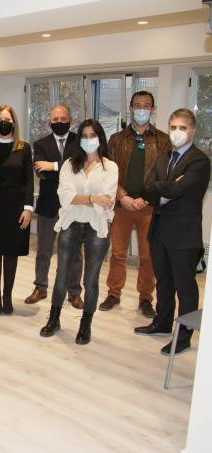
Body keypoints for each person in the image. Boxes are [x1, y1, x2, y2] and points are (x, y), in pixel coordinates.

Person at [135, 108, 210, 355]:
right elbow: (146, 188)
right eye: (173, 127)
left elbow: (181, 190)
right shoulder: (163, 157)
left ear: (192, 130)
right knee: (164, 281)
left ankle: (184, 336)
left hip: (183, 234)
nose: (177, 132)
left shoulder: (199, 161)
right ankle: (162, 322)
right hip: (159, 230)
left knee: (184, 286)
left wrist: (163, 190)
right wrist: (166, 190)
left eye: (183, 128)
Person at [40, 119, 118, 345]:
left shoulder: (110, 167)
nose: (88, 140)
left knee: (91, 280)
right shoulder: (69, 164)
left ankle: (85, 325)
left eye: (93, 135)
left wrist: (82, 199)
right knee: (62, 275)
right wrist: (93, 198)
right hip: (71, 223)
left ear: (100, 138)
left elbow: (108, 201)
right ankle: (54, 319)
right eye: (84, 136)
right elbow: (64, 196)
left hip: (97, 226)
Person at [101, 91, 171, 317]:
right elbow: (109, 173)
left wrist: (146, 198)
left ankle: (145, 299)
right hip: (121, 206)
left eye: (146, 105)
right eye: (138, 105)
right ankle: (113, 293)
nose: (142, 109)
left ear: (153, 109)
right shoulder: (116, 140)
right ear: (131, 108)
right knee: (118, 254)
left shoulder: (163, 140)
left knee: (148, 256)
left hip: (148, 207)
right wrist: (123, 196)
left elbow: (164, 175)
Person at [25, 105, 84, 309]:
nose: (59, 122)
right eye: (55, 119)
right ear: (49, 121)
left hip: (74, 205)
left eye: (63, 119)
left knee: (75, 252)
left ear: (71, 120)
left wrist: (54, 166)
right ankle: (40, 287)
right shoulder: (40, 144)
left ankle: (74, 292)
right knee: (44, 250)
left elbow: (81, 169)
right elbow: (41, 171)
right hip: (48, 205)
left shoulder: (80, 142)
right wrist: (62, 167)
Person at [0, 104, 34, 315]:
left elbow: (29, 180)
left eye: (8, 120)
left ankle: (7, 296)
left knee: (11, 253)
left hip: (16, 209)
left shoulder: (24, 148)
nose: (4, 123)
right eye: (0, 120)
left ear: (14, 122)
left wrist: (28, 208)